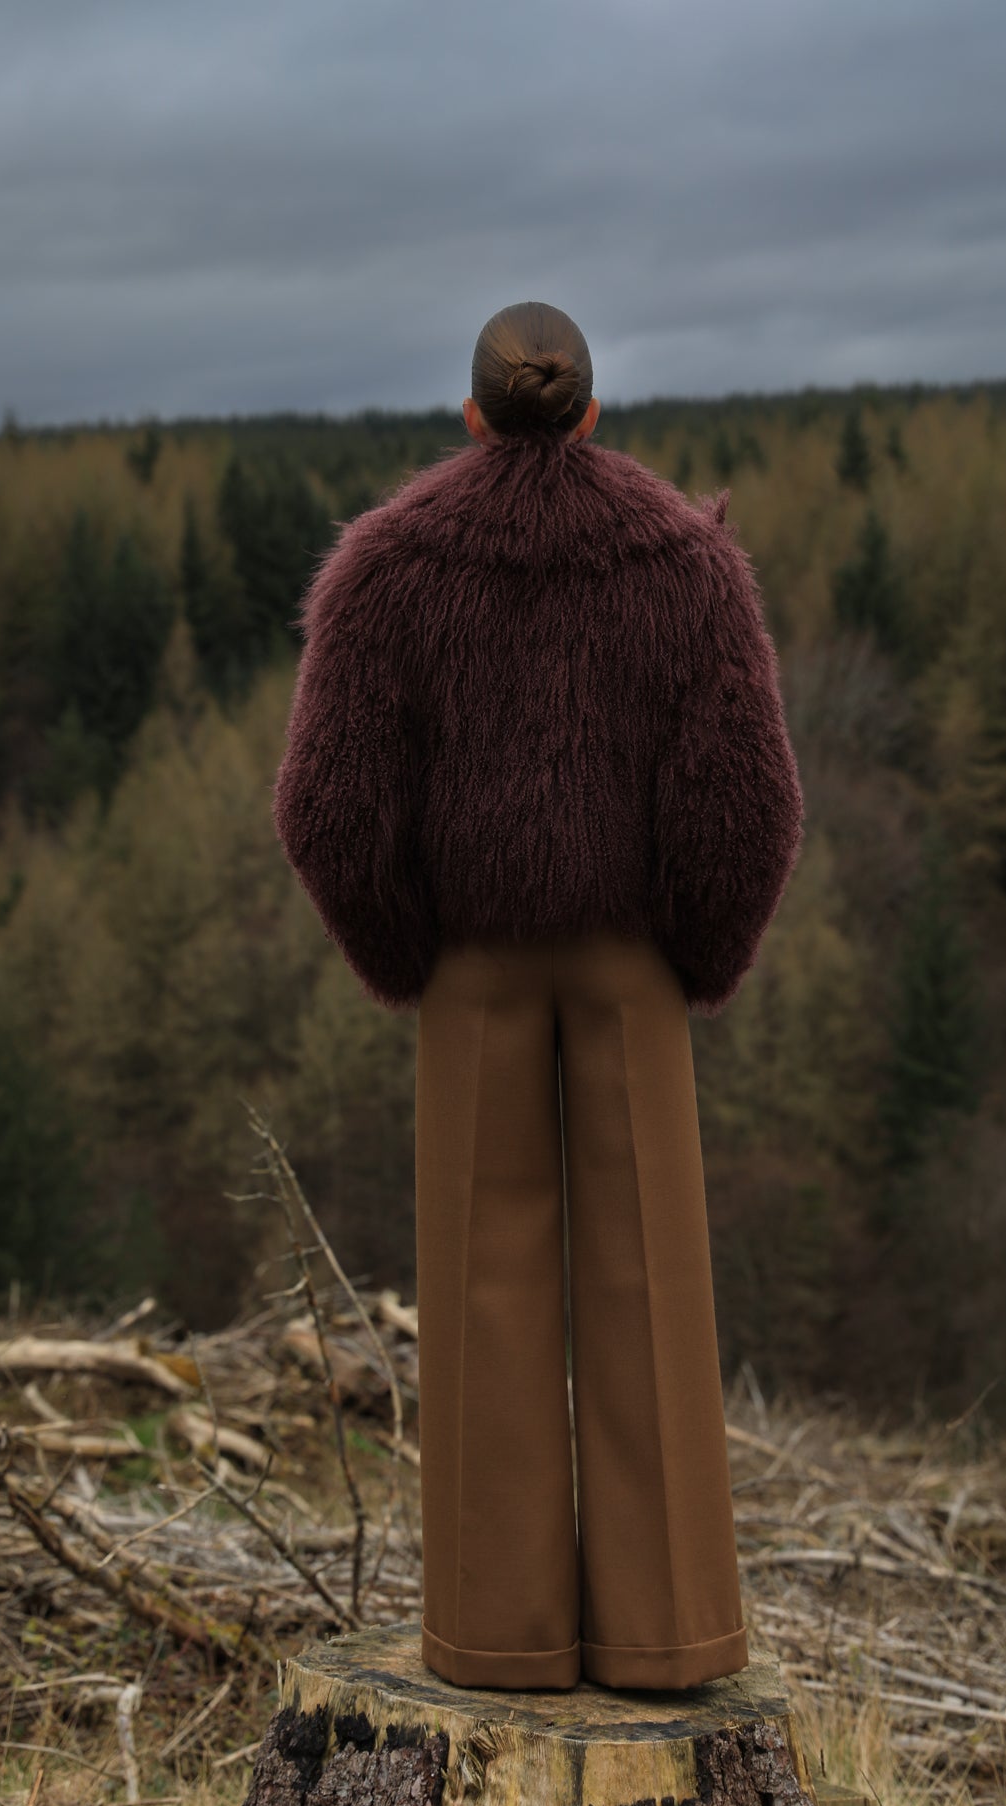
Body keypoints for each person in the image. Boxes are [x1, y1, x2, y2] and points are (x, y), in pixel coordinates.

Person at [273, 300, 803, 1692]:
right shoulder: (686, 562)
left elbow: (326, 809)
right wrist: (691, 960)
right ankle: (667, 1633)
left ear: (470, 417)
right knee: (651, 1286)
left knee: (480, 1288)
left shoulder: (387, 566)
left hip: (473, 973)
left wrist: (408, 957)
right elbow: (746, 804)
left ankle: (495, 1636)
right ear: (585, 414)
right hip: (630, 966)